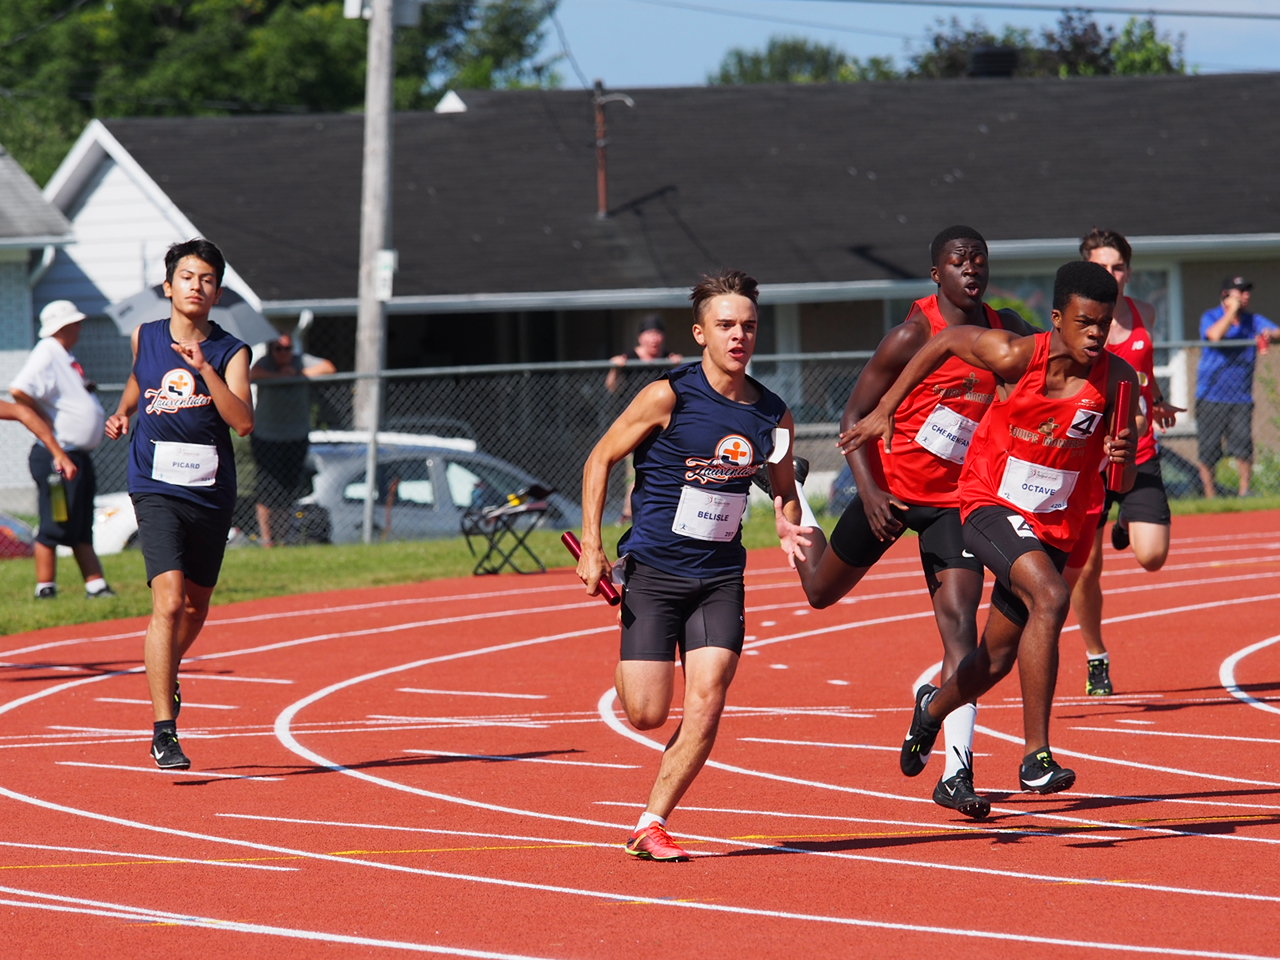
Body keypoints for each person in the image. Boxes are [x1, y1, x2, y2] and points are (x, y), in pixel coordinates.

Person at [844, 261, 1138, 797]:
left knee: (995, 659)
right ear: (1057, 319)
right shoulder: (1016, 355)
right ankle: (1036, 757)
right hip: (987, 504)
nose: (1096, 334)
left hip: (1053, 523)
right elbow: (946, 340)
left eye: (1105, 322)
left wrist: (1122, 457)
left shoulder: (1120, 380)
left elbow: (1125, 469)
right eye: (1085, 322)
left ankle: (930, 709)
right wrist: (888, 406)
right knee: (1050, 597)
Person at [775, 225, 1033, 820]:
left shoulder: (1007, 329)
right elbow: (854, 416)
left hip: (955, 504)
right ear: (936, 274)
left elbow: (1055, 361)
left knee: (961, 629)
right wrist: (868, 492)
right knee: (818, 591)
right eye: (958, 261)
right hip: (889, 493)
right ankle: (783, 487)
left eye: (979, 260)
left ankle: (956, 771)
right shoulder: (911, 335)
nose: (971, 269)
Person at [574, 269, 809, 862]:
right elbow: (600, 458)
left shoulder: (773, 414)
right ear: (700, 333)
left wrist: (786, 520)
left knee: (708, 699)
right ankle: (629, 632)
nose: (739, 336)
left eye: (749, 326)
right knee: (648, 714)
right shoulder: (667, 395)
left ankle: (651, 822)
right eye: (726, 325)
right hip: (653, 570)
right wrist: (594, 545)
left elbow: (782, 485)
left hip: (721, 578)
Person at [104, 238, 254, 771]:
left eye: (207, 279)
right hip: (154, 485)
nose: (197, 285)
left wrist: (204, 368)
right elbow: (138, 379)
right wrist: (123, 412)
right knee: (167, 602)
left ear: (216, 292)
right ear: (169, 287)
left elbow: (242, 421)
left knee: (195, 606)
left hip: (210, 491)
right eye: (187, 277)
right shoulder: (144, 335)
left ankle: (167, 675)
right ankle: (164, 730)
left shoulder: (232, 351)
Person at [1067, 229, 1184, 696]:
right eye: (1101, 268)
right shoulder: (1075, 325)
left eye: (1118, 267)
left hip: (1139, 451)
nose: (1111, 275)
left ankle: (1126, 524)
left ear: (1128, 272)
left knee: (1152, 557)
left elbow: (1143, 373)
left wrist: (1156, 401)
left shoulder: (1144, 314)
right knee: (1087, 569)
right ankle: (1097, 657)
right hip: (1091, 462)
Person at [9, 300, 114, 600]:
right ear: (62, 326)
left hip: (75, 454)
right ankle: (46, 587)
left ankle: (96, 585)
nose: (80, 328)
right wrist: (47, 427)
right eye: (75, 323)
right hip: (57, 455)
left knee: (80, 523)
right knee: (55, 521)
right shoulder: (47, 352)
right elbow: (20, 390)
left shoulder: (64, 356)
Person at [1195, 276, 1279, 498]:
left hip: (1241, 396)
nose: (1246, 295)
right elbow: (1214, 336)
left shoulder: (1253, 320)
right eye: (1239, 291)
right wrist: (1231, 311)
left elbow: (1276, 330)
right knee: (1209, 449)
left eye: (1247, 291)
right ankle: (1210, 496)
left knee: (1243, 446)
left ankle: (1244, 492)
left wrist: (1270, 333)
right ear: (1226, 295)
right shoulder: (1210, 316)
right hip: (1211, 394)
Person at [249, 333, 335, 547]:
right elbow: (252, 374)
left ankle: (285, 539)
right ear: (271, 350)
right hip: (266, 436)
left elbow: (328, 368)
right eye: (279, 349)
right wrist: (281, 377)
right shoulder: (264, 363)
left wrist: (298, 373)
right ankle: (268, 540)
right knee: (268, 488)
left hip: (296, 435)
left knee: (289, 489)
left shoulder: (300, 362)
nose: (283, 353)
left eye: (287, 349)